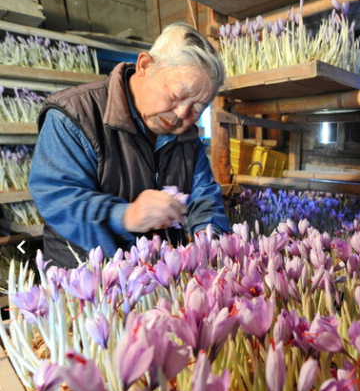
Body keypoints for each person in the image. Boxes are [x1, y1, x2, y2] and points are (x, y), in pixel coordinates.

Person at [29, 22, 231, 268]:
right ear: (145, 65)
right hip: (86, 278)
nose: (182, 114)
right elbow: (58, 198)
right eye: (176, 96)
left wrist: (208, 240)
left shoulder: (187, 137)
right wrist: (126, 215)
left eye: (198, 108)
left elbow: (205, 197)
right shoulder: (75, 115)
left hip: (155, 276)